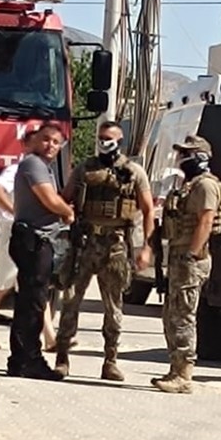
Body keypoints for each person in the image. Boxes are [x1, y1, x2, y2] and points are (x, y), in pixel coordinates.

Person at [53, 120, 154, 382]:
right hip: (85, 243)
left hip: (115, 246)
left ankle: (111, 360)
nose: (103, 142)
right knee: (71, 299)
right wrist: (67, 221)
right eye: (100, 137)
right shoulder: (85, 169)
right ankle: (62, 357)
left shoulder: (133, 172)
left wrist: (147, 248)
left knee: (113, 307)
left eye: (108, 138)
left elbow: (147, 209)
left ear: (120, 142)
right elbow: (65, 199)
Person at [153, 135, 221, 394]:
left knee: (183, 316)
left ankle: (184, 375)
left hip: (190, 260)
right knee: (171, 315)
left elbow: (206, 221)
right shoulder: (188, 185)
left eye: (187, 154)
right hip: (178, 256)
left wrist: (191, 254)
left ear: (200, 157)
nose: (181, 159)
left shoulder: (205, 186)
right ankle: (175, 368)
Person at [0, 135, 58, 353]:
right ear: (26, 145)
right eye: (36, 142)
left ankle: (50, 338)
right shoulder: (17, 170)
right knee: (1, 286)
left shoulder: (42, 172)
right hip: (12, 233)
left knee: (36, 286)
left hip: (30, 234)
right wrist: (15, 211)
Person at [7, 122, 74, 380]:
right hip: (32, 240)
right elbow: (48, 197)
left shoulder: (44, 167)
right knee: (33, 303)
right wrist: (67, 212)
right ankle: (29, 360)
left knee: (31, 302)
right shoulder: (33, 165)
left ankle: (20, 359)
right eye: (46, 139)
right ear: (33, 141)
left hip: (37, 240)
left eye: (56, 142)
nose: (50, 146)